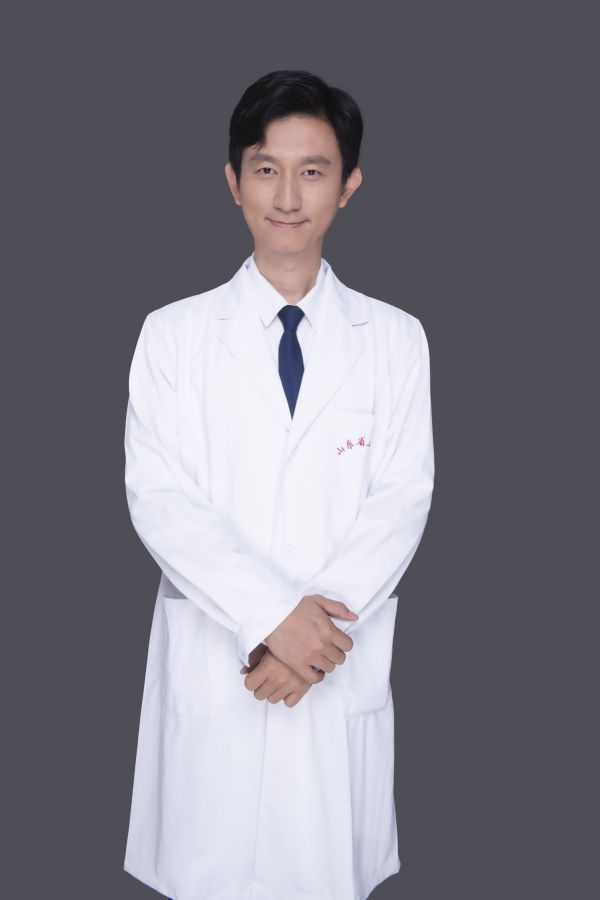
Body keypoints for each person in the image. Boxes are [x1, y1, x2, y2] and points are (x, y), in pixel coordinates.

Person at [122, 69, 435, 900]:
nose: (288, 196)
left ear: (349, 185)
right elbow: (160, 500)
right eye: (266, 169)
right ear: (233, 181)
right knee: (209, 870)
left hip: (332, 669)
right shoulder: (172, 336)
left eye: (313, 171)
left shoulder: (395, 340)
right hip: (221, 671)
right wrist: (271, 620)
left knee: (328, 869)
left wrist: (309, 642)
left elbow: (401, 501)